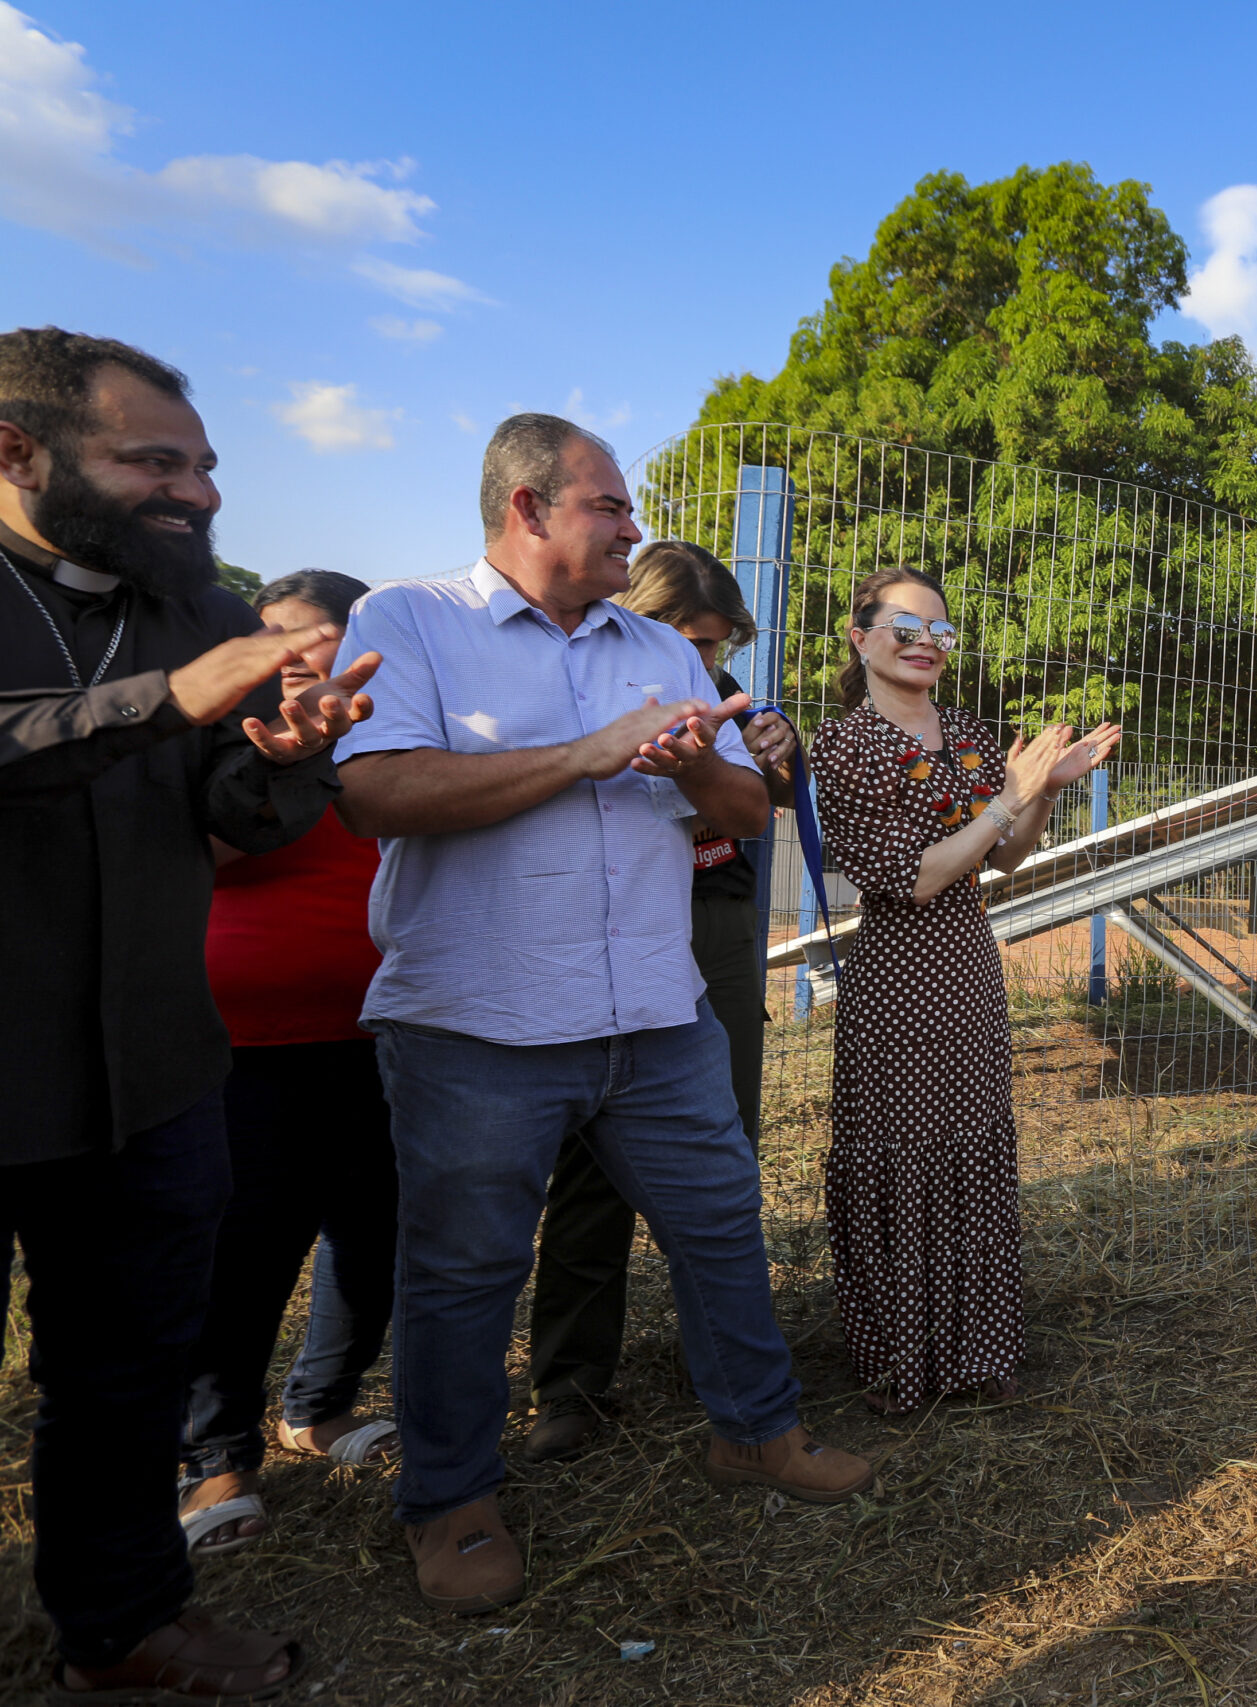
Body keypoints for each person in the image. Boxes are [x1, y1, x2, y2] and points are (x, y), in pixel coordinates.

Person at [333, 414, 871, 1615]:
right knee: (466, 1267)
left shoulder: (660, 645)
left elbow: (744, 810)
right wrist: (588, 752)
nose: (634, 529)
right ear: (527, 507)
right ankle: (451, 1502)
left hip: (655, 1013)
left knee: (721, 1225)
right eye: (609, 506)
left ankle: (757, 1431)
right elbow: (374, 794)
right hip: (478, 1022)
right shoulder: (409, 620)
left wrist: (691, 767)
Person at [0, 329, 374, 1701]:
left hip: (153, 1072)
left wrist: (288, 758)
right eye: (153, 462)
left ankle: (122, 1625)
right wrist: (167, 699)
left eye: (204, 466)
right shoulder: (190, 646)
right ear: (16, 450)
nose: (200, 494)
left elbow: (241, 809)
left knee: (125, 1368)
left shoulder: (202, 607)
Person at [807, 566, 1120, 1414]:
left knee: (972, 1148)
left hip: (968, 967)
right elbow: (913, 878)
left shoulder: (970, 731)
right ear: (860, 637)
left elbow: (1004, 856)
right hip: (898, 974)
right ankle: (904, 1357)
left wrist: (1042, 795)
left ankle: (977, 1347)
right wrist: (1006, 801)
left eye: (940, 632)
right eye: (906, 628)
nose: (926, 644)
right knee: (904, 1152)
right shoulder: (844, 745)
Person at [521, 539, 799, 1463]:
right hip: (607, 926)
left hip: (714, 925)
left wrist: (779, 752)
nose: (705, 661)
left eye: (718, 644)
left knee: (722, 1152)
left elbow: (767, 800)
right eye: (688, 638)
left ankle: (723, 1365)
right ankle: (571, 1383)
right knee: (592, 1168)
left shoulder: (733, 702)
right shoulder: (575, 687)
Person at [179, 571, 400, 1560]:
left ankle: (319, 1407)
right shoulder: (221, 735)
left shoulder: (396, 733)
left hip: (383, 1033)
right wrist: (283, 761)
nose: (279, 651)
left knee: (373, 1236)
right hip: (245, 1046)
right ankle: (214, 1452)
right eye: (263, 632)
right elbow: (184, 856)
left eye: (301, 633)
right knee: (245, 1253)